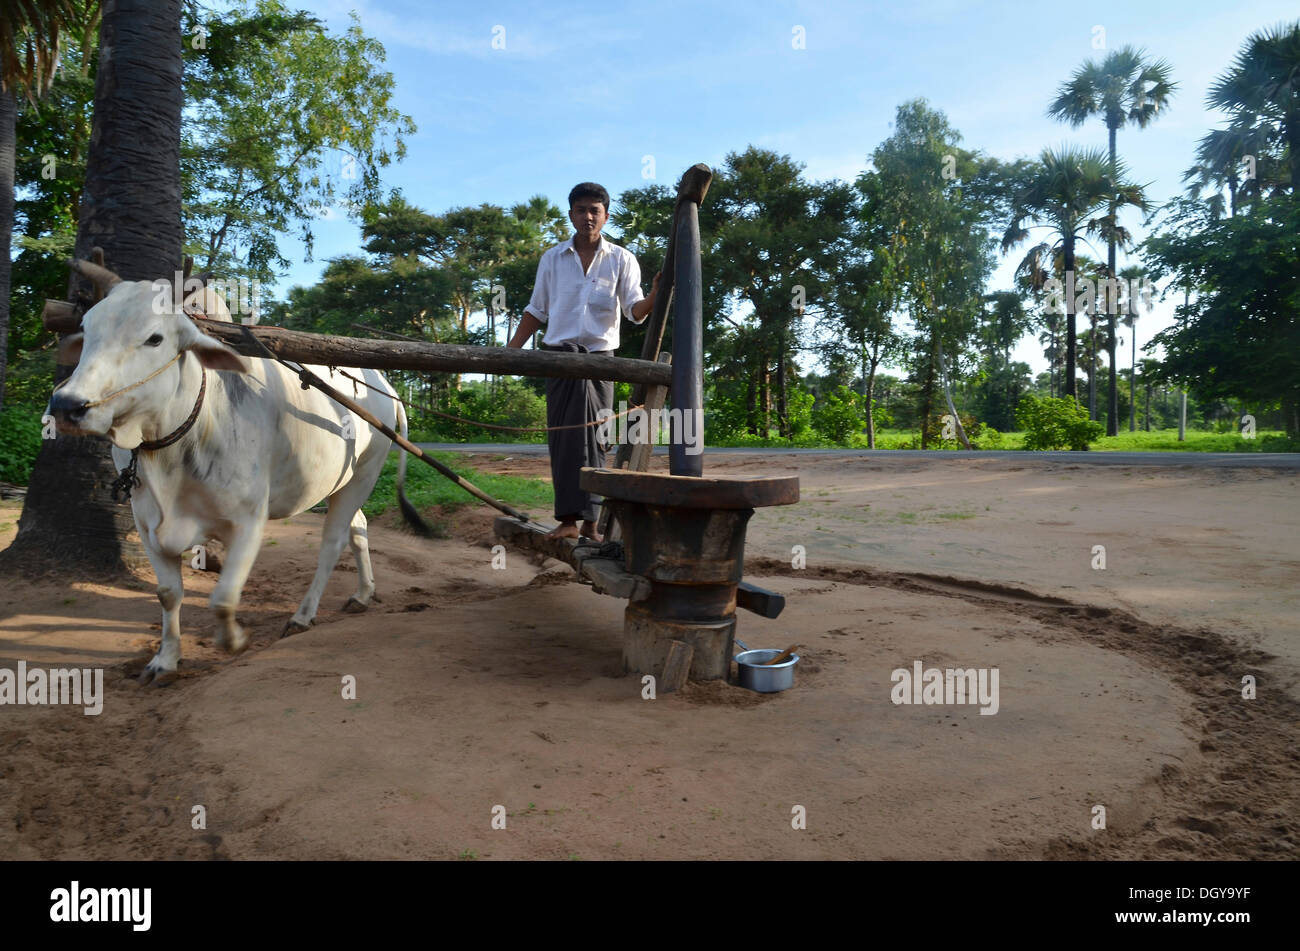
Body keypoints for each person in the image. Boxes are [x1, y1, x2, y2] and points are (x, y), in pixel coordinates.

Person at [506, 182, 659, 541]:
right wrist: (511, 351)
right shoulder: (552, 258)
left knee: (597, 437)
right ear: (571, 214)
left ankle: (591, 522)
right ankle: (569, 521)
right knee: (565, 440)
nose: (588, 216)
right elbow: (537, 310)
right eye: (581, 210)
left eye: (595, 210)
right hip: (559, 360)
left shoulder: (622, 259)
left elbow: (635, 312)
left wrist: (655, 293)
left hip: (600, 363)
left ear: (605, 215)